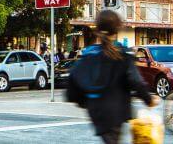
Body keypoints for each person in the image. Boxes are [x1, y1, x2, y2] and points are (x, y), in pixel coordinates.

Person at [68, 9, 159, 144]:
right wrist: (149, 99)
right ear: (116, 30)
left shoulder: (88, 56)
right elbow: (135, 81)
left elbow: (72, 87)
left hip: (96, 113)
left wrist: (85, 103)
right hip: (116, 111)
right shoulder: (122, 55)